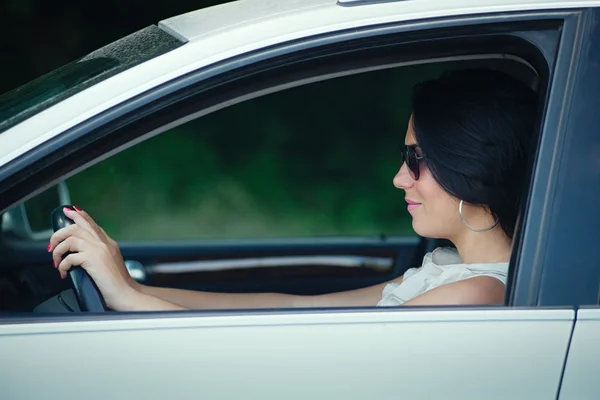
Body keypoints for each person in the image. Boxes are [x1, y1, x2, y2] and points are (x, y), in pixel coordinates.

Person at [47, 68, 537, 312]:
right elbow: (298, 310)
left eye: (415, 160)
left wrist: (131, 302)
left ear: (470, 168)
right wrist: (132, 289)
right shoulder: (449, 271)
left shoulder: (475, 293)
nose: (398, 178)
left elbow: (299, 354)